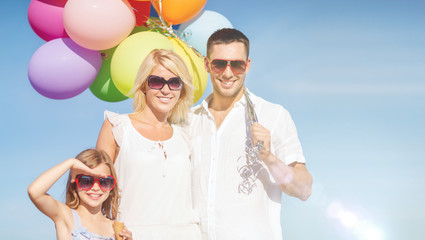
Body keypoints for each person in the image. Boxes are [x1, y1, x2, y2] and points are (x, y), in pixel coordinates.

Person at [187, 28, 313, 240]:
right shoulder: (189, 121)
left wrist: (269, 158)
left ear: (248, 66)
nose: (228, 73)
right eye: (219, 64)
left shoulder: (274, 115)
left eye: (237, 64)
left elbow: (304, 189)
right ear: (207, 65)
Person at [96, 49, 202, 240]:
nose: (166, 89)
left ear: (182, 89)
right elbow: (96, 191)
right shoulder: (117, 126)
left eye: (174, 82)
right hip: (132, 234)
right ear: (144, 85)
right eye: (157, 81)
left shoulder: (186, 135)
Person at [27, 148, 132, 240]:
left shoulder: (115, 228)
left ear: (112, 186)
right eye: (86, 181)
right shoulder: (65, 216)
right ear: (74, 184)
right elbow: (34, 192)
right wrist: (71, 163)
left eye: (104, 182)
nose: (96, 188)